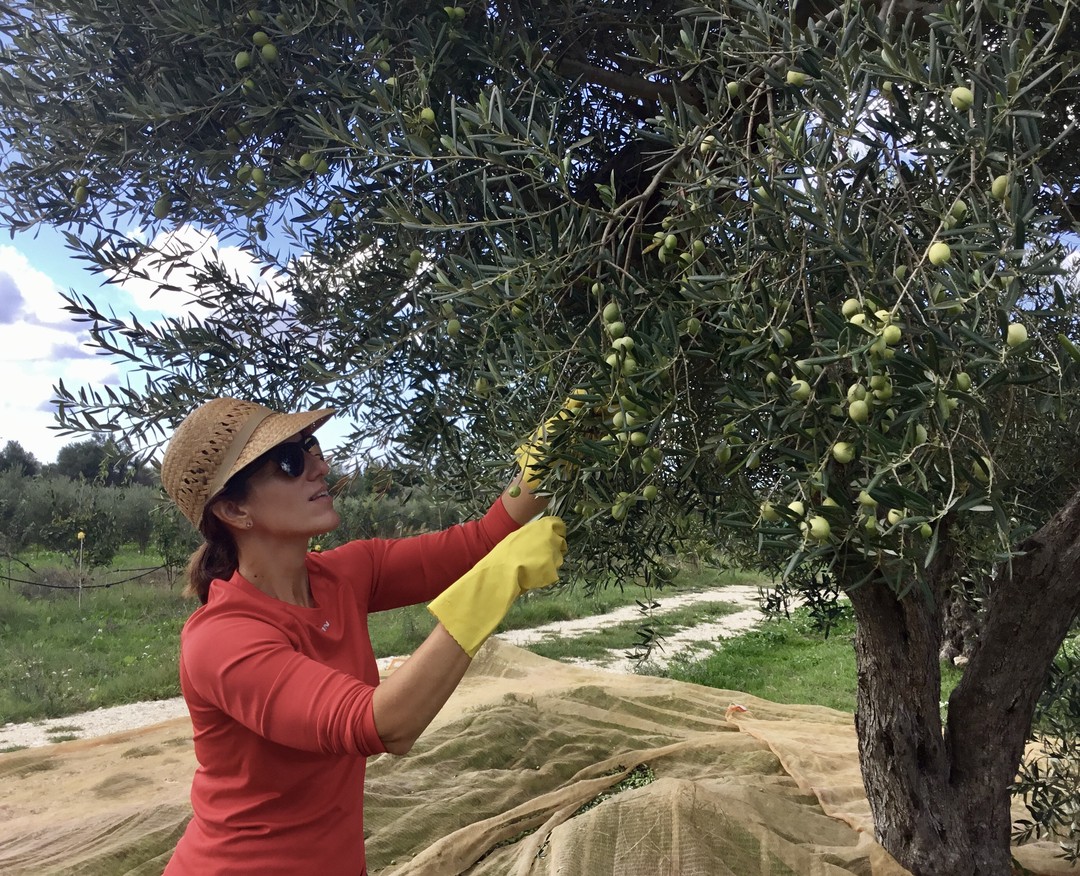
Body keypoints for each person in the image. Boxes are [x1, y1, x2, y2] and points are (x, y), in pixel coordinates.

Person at [158, 396, 568, 875]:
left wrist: (546, 466)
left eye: (311, 448)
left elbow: (480, 540)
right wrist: (489, 590)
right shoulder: (221, 639)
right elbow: (383, 724)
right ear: (234, 509)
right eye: (289, 462)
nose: (320, 467)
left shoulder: (345, 575)